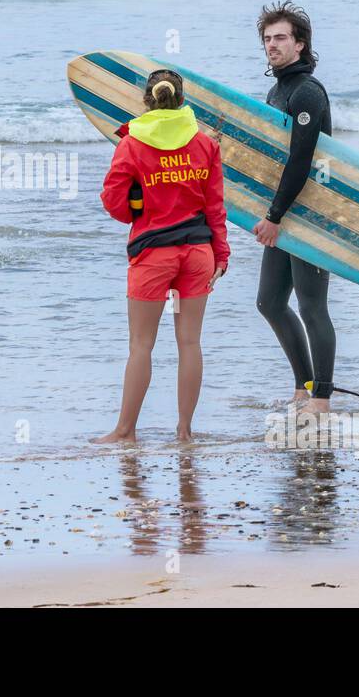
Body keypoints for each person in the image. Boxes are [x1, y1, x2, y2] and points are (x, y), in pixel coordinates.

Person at [95, 70, 229, 443]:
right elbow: (216, 207)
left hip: (153, 255)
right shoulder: (205, 144)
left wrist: (137, 207)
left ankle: (125, 431)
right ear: (182, 100)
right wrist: (222, 254)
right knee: (190, 342)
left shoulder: (131, 144)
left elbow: (115, 204)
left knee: (141, 345)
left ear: (147, 101)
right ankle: (185, 431)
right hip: (198, 253)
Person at [250, 1, 336, 416]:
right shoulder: (276, 90)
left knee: (312, 306)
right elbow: (273, 159)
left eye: (281, 37)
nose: (272, 45)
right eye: (267, 39)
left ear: (300, 44)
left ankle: (321, 396)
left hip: (310, 212)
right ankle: (302, 387)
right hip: (283, 209)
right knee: (269, 301)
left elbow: (301, 159)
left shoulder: (307, 92)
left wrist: (274, 216)